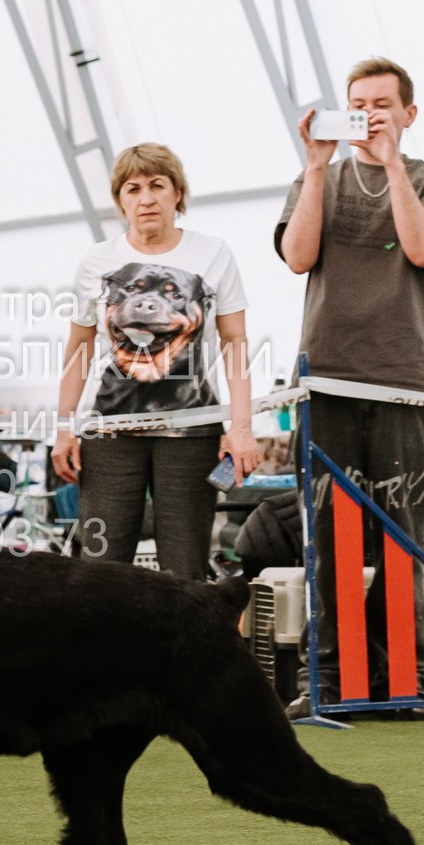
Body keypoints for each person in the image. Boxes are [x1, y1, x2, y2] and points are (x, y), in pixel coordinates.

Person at [276, 57, 424, 718]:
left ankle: (403, 677)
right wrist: (319, 166)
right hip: (324, 379)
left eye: (383, 103)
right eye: (359, 103)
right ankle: (327, 680)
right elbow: (298, 257)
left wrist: (392, 165)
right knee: (325, 537)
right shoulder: (314, 177)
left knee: (400, 536)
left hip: (404, 382)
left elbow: (421, 251)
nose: (371, 114)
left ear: (409, 113)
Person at [52, 143, 262, 579]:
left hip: (191, 433)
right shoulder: (98, 261)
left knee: (185, 571)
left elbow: (235, 343)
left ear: (177, 194)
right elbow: (79, 348)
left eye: (156, 186)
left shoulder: (213, 254)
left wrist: (241, 429)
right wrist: (63, 429)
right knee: (101, 570)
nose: (145, 198)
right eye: (132, 188)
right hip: (110, 433)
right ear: (120, 200)